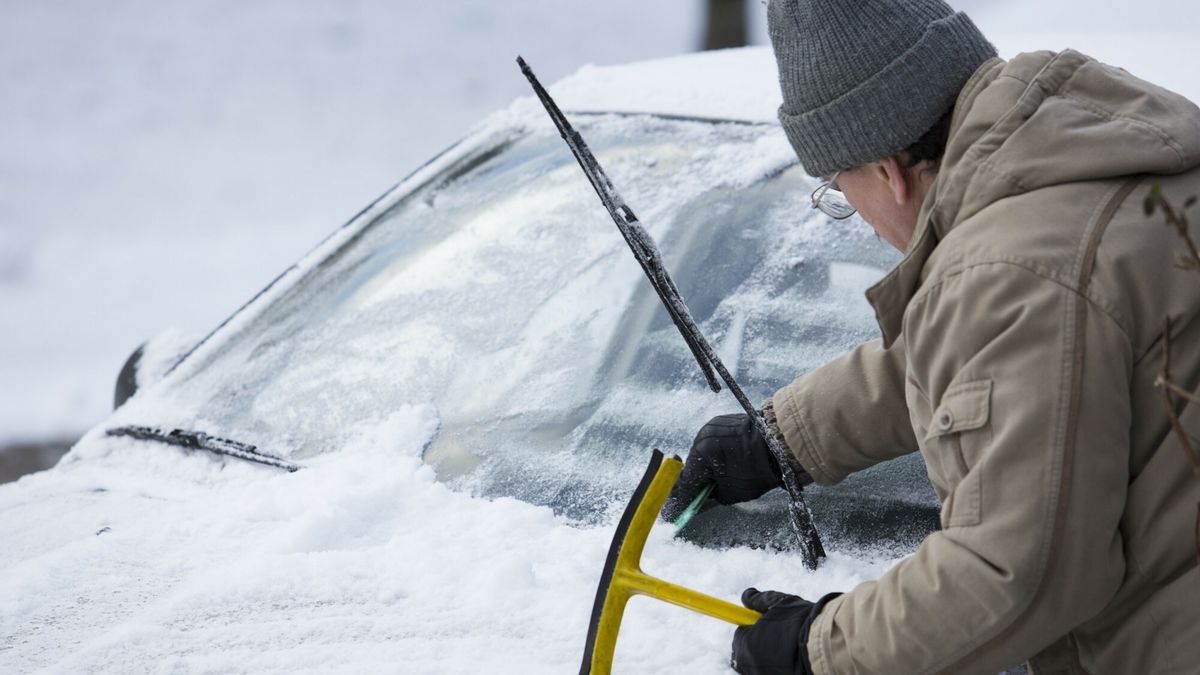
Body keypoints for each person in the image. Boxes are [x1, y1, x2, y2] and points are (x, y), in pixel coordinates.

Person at [663, 0, 1200, 673]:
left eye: (837, 188)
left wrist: (820, 649)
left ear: (887, 169)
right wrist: (786, 437)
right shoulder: (1089, 160)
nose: (851, 212)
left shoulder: (1017, 266)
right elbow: (996, 355)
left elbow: (1017, 573)